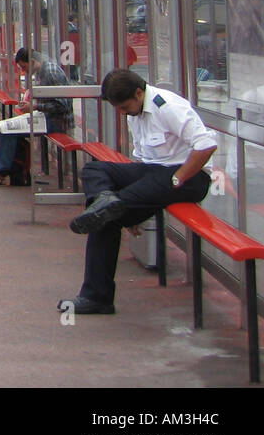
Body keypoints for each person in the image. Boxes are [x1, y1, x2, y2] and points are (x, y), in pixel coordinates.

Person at [61, 68, 216, 315]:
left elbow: (206, 145)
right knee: (95, 170)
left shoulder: (167, 106)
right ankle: (105, 203)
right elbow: (143, 159)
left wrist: (178, 179)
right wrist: (130, 207)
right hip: (153, 171)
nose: (121, 113)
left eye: (123, 107)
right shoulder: (135, 110)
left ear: (139, 92)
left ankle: (97, 296)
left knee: (106, 218)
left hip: (186, 176)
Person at [0, 48, 72, 186]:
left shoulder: (50, 72)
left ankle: (2, 172)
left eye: (24, 67)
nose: (25, 71)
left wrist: (35, 106)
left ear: (33, 61)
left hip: (57, 121)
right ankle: (8, 171)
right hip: (47, 117)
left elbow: (62, 105)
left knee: (7, 130)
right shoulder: (43, 69)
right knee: (5, 126)